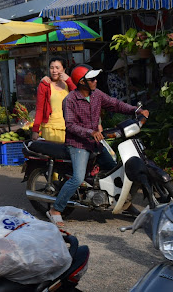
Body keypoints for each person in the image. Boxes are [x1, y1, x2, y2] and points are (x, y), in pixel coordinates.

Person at [47, 64, 149, 229]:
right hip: (78, 144)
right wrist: (90, 132)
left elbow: (115, 104)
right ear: (81, 82)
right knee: (78, 178)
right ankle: (55, 210)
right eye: (91, 79)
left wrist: (136, 111)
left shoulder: (97, 94)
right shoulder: (70, 100)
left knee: (114, 169)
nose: (95, 81)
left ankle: (124, 203)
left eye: (95, 78)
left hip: (95, 143)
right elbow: (71, 125)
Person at [32, 57, 76, 143]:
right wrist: (35, 130)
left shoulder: (69, 83)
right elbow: (40, 109)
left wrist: (69, 80)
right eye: (52, 68)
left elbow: (79, 96)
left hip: (69, 128)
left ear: (64, 69)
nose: (54, 71)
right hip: (50, 128)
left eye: (57, 68)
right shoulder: (45, 85)